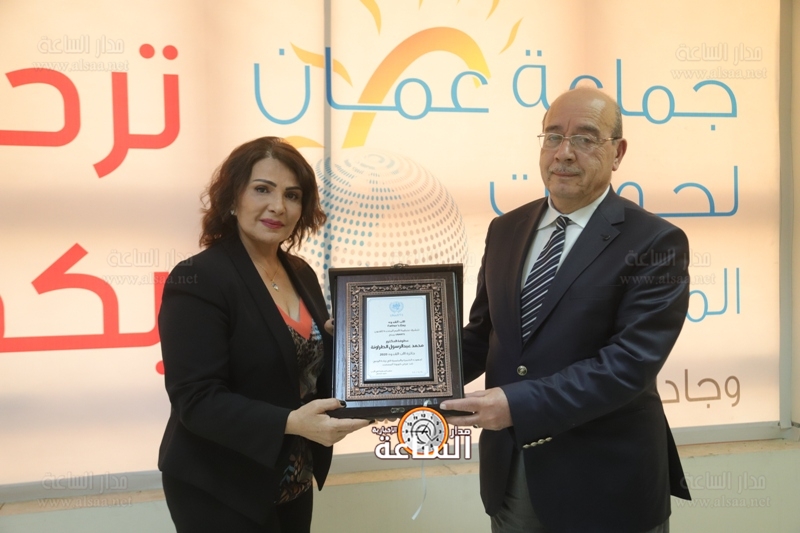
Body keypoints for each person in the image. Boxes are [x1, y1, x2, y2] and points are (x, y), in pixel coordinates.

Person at [440, 87, 691, 533]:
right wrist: (395, 371)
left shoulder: (654, 242)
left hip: (607, 483)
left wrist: (516, 404)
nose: (564, 153)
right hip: (512, 473)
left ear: (618, 153)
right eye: (553, 136)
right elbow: (482, 335)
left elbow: (627, 365)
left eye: (585, 138)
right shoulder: (506, 229)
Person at [158, 136, 369, 532]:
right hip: (220, 484)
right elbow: (196, 399)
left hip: (292, 476)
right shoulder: (199, 278)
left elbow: (300, 367)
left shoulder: (300, 271)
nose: (278, 206)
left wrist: (349, 343)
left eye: (292, 195)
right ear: (232, 198)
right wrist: (291, 422)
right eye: (262, 189)